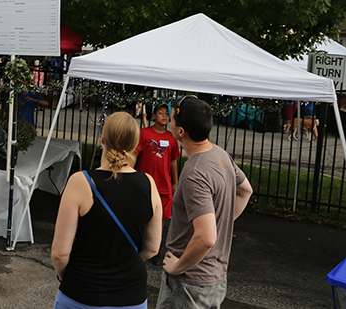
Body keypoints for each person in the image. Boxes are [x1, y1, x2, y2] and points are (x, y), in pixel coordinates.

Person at [51, 111, 163, 309]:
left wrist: (68, 278)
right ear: (136, 144)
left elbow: (60, 253)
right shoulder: (149, 184)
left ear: (102, 139)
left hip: (81, 294)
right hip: (131, 296)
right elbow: (152, 248)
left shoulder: (80, 181)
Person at [158, 96, 254, 309]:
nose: (168, 121)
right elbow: (246, 190)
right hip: (215, 279)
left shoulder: (194, 173)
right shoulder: (220, 154)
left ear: (180, 132)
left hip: (189, 284)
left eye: (172, 119)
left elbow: (206, 238)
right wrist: (221, 221)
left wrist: (177, 267)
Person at [132, 104, 180, 264]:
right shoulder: (144, 134)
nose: (164, 116)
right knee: (140, 214)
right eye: (160, 113)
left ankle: (156, 249)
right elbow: (134, 155)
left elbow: (173, 161)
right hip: (144, 183)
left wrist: (175, 182)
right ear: (153, 116)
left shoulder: (172, 138)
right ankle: (139, 245)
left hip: (164, 185)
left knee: (160, 218)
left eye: (167, 114)